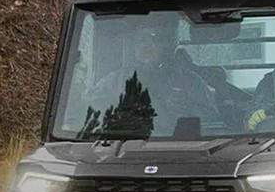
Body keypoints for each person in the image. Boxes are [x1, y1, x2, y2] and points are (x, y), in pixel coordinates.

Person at [79, 11, 219, 136]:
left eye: (155, 38)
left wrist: (182, 115)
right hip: (128, 149)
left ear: (168, 44)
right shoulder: (116, 81)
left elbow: (210, 126)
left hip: (178, 150)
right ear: (133, 45)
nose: (147, 44)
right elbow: (88, 112)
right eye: (141, 39)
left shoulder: (190, 82)